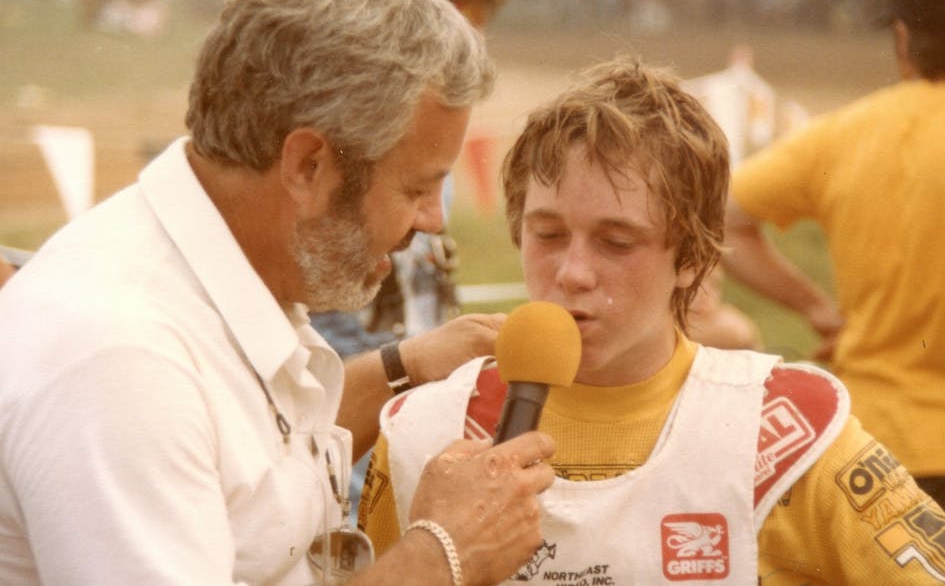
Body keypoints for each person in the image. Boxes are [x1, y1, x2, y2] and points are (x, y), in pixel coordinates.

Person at [0, 0, 557, 584]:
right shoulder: (121, 360)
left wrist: (403, 366)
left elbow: (253, 474)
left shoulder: (224, 265)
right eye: (416, 188)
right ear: (308, 167)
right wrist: (443, 554)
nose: (434, 219)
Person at [358, 58, 945, 584]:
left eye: (616, 242)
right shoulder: (423, 431)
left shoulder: (790, 435)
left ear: (691, 259)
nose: (573, 272)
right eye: (548, 234)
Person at [722, 0, 945, 507]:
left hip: (880, 448)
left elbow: (720, 217)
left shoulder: (845, 133)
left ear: (903, 38)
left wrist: (816, 307)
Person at [310, 0, 508, 359]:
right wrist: (401, 373)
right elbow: (323, 333)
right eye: (467, 20)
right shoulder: (348, 149)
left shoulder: (435, 159)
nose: (477, 43)